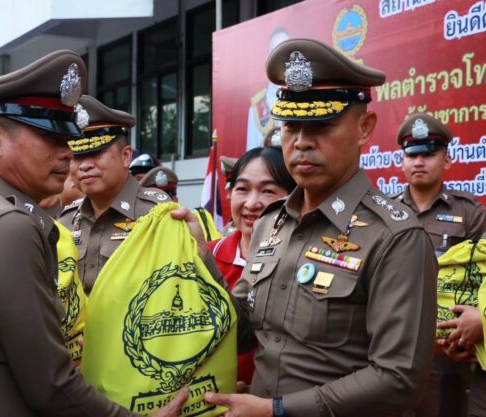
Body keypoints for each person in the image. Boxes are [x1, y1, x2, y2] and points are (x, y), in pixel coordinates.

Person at [0, 50, 187, 417]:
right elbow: (51, 384)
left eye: (68, 140)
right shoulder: (4, 224)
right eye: (51, 138)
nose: (68, 155)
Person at [205, 38, 437, 417]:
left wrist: (276, 410)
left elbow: (399, 379)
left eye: (322, 125)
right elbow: (241, 329)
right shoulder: (271, 222)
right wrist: (196, 261)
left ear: (364, 128)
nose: (301, 142)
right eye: (290, 125)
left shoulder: (395, 237)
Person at [393, 113, 486, 417]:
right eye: (412, 155)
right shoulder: (385, 211)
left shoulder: (470, 213)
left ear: (446, 160)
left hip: (447, 351)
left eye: (429, 154)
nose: (419, 162)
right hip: (393, 344)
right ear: (402, 161)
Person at [59, 95, 171, 294]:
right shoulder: (67, 220)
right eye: (77, 156)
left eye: (95, 153)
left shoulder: (157, 214)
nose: (85, 165)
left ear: (126, 156)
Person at [208, 146, 295, 386]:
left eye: (267, 191)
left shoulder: (303, 262)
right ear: (229, 194)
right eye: (242, 189)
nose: (252, 203)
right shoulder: (205, 255)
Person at [246, 27, 289, 150]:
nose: (281, 58)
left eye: (286, 52)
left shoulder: (306, 99)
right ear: (267, 60)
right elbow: (252, 154)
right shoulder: (257, 108)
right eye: (276, 52)